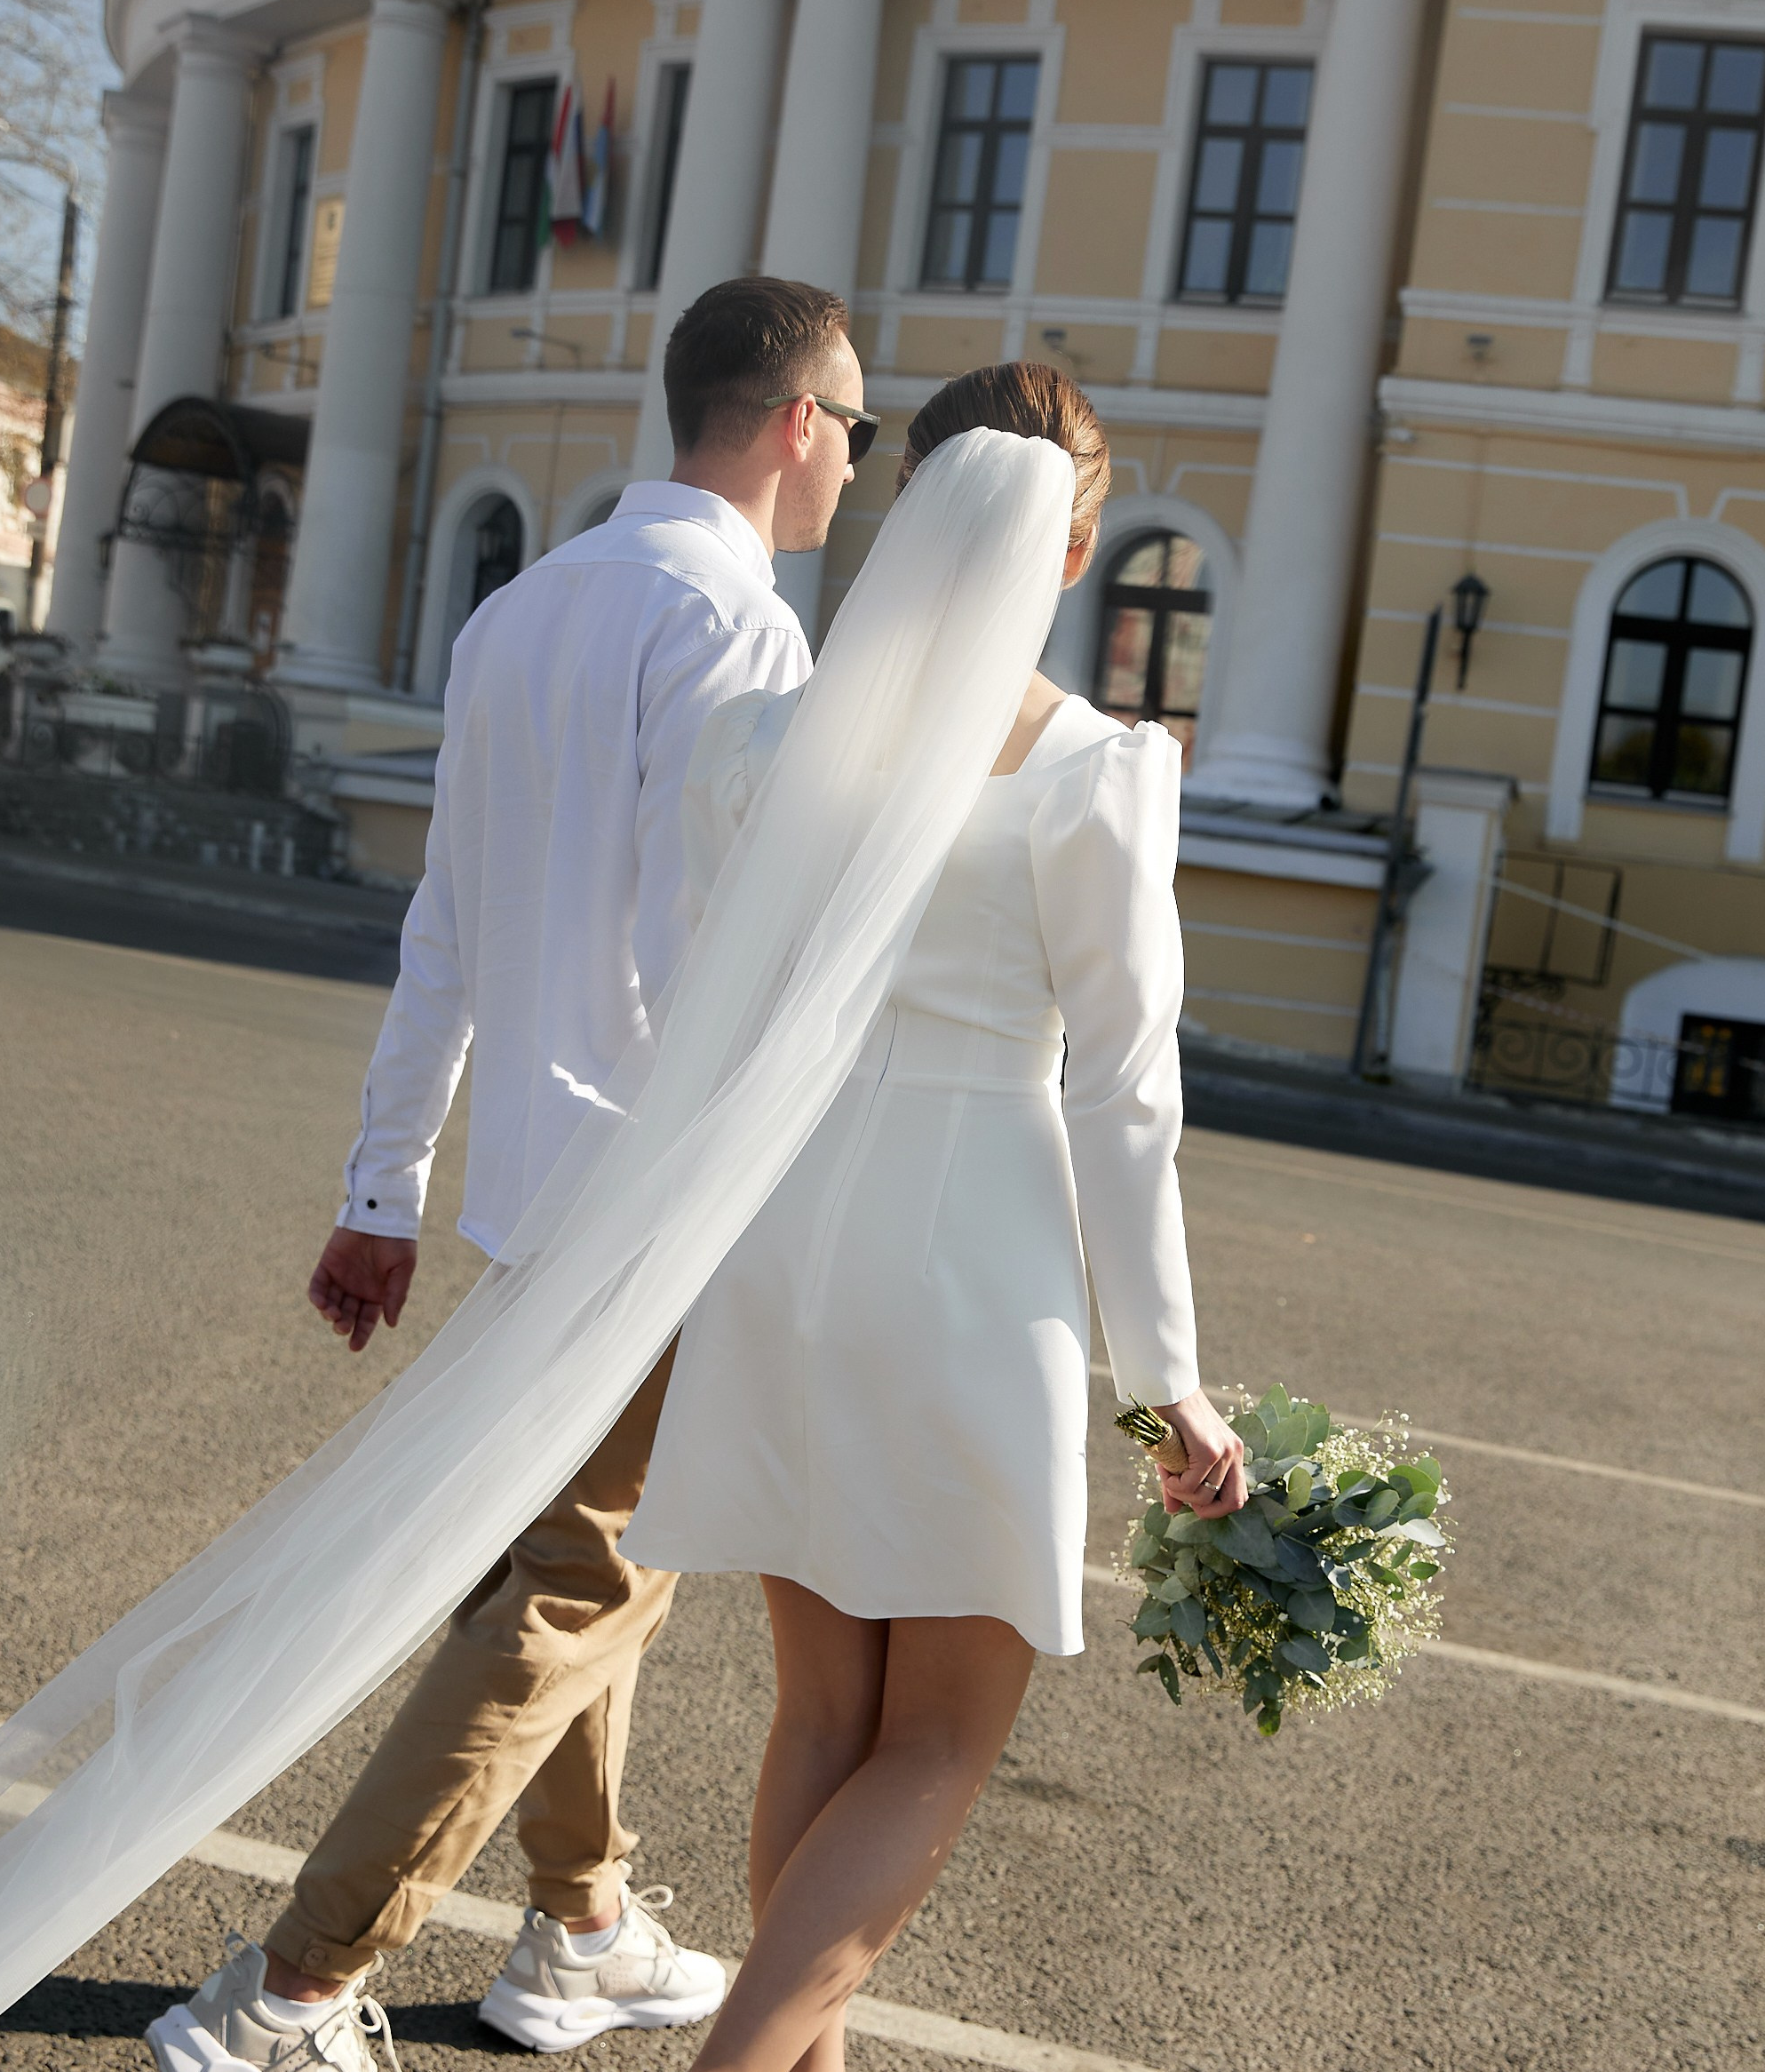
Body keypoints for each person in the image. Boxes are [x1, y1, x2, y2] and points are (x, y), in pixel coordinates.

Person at [146, 276, 868, 2072]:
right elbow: (749, 964)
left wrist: (383, 1186)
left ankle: (583, 1920)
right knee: (574, 1587)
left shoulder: (519, 613)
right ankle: (298, 1982)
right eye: (851, 424)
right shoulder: (749, 639)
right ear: (794, 423)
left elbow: (444, 926)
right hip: (667, 1203)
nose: (856, 459)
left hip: (536, 1197)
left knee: (569, 1566)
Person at [617, 363, 1247, 2072]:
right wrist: (1169, 1380)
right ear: (1069, 551)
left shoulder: (758, 740)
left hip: (779, 1233)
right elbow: (1128, 1095)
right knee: (940, 1745)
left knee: (826, 1710)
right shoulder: (1100, 769)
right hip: (972, 1251)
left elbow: (696, 1005)